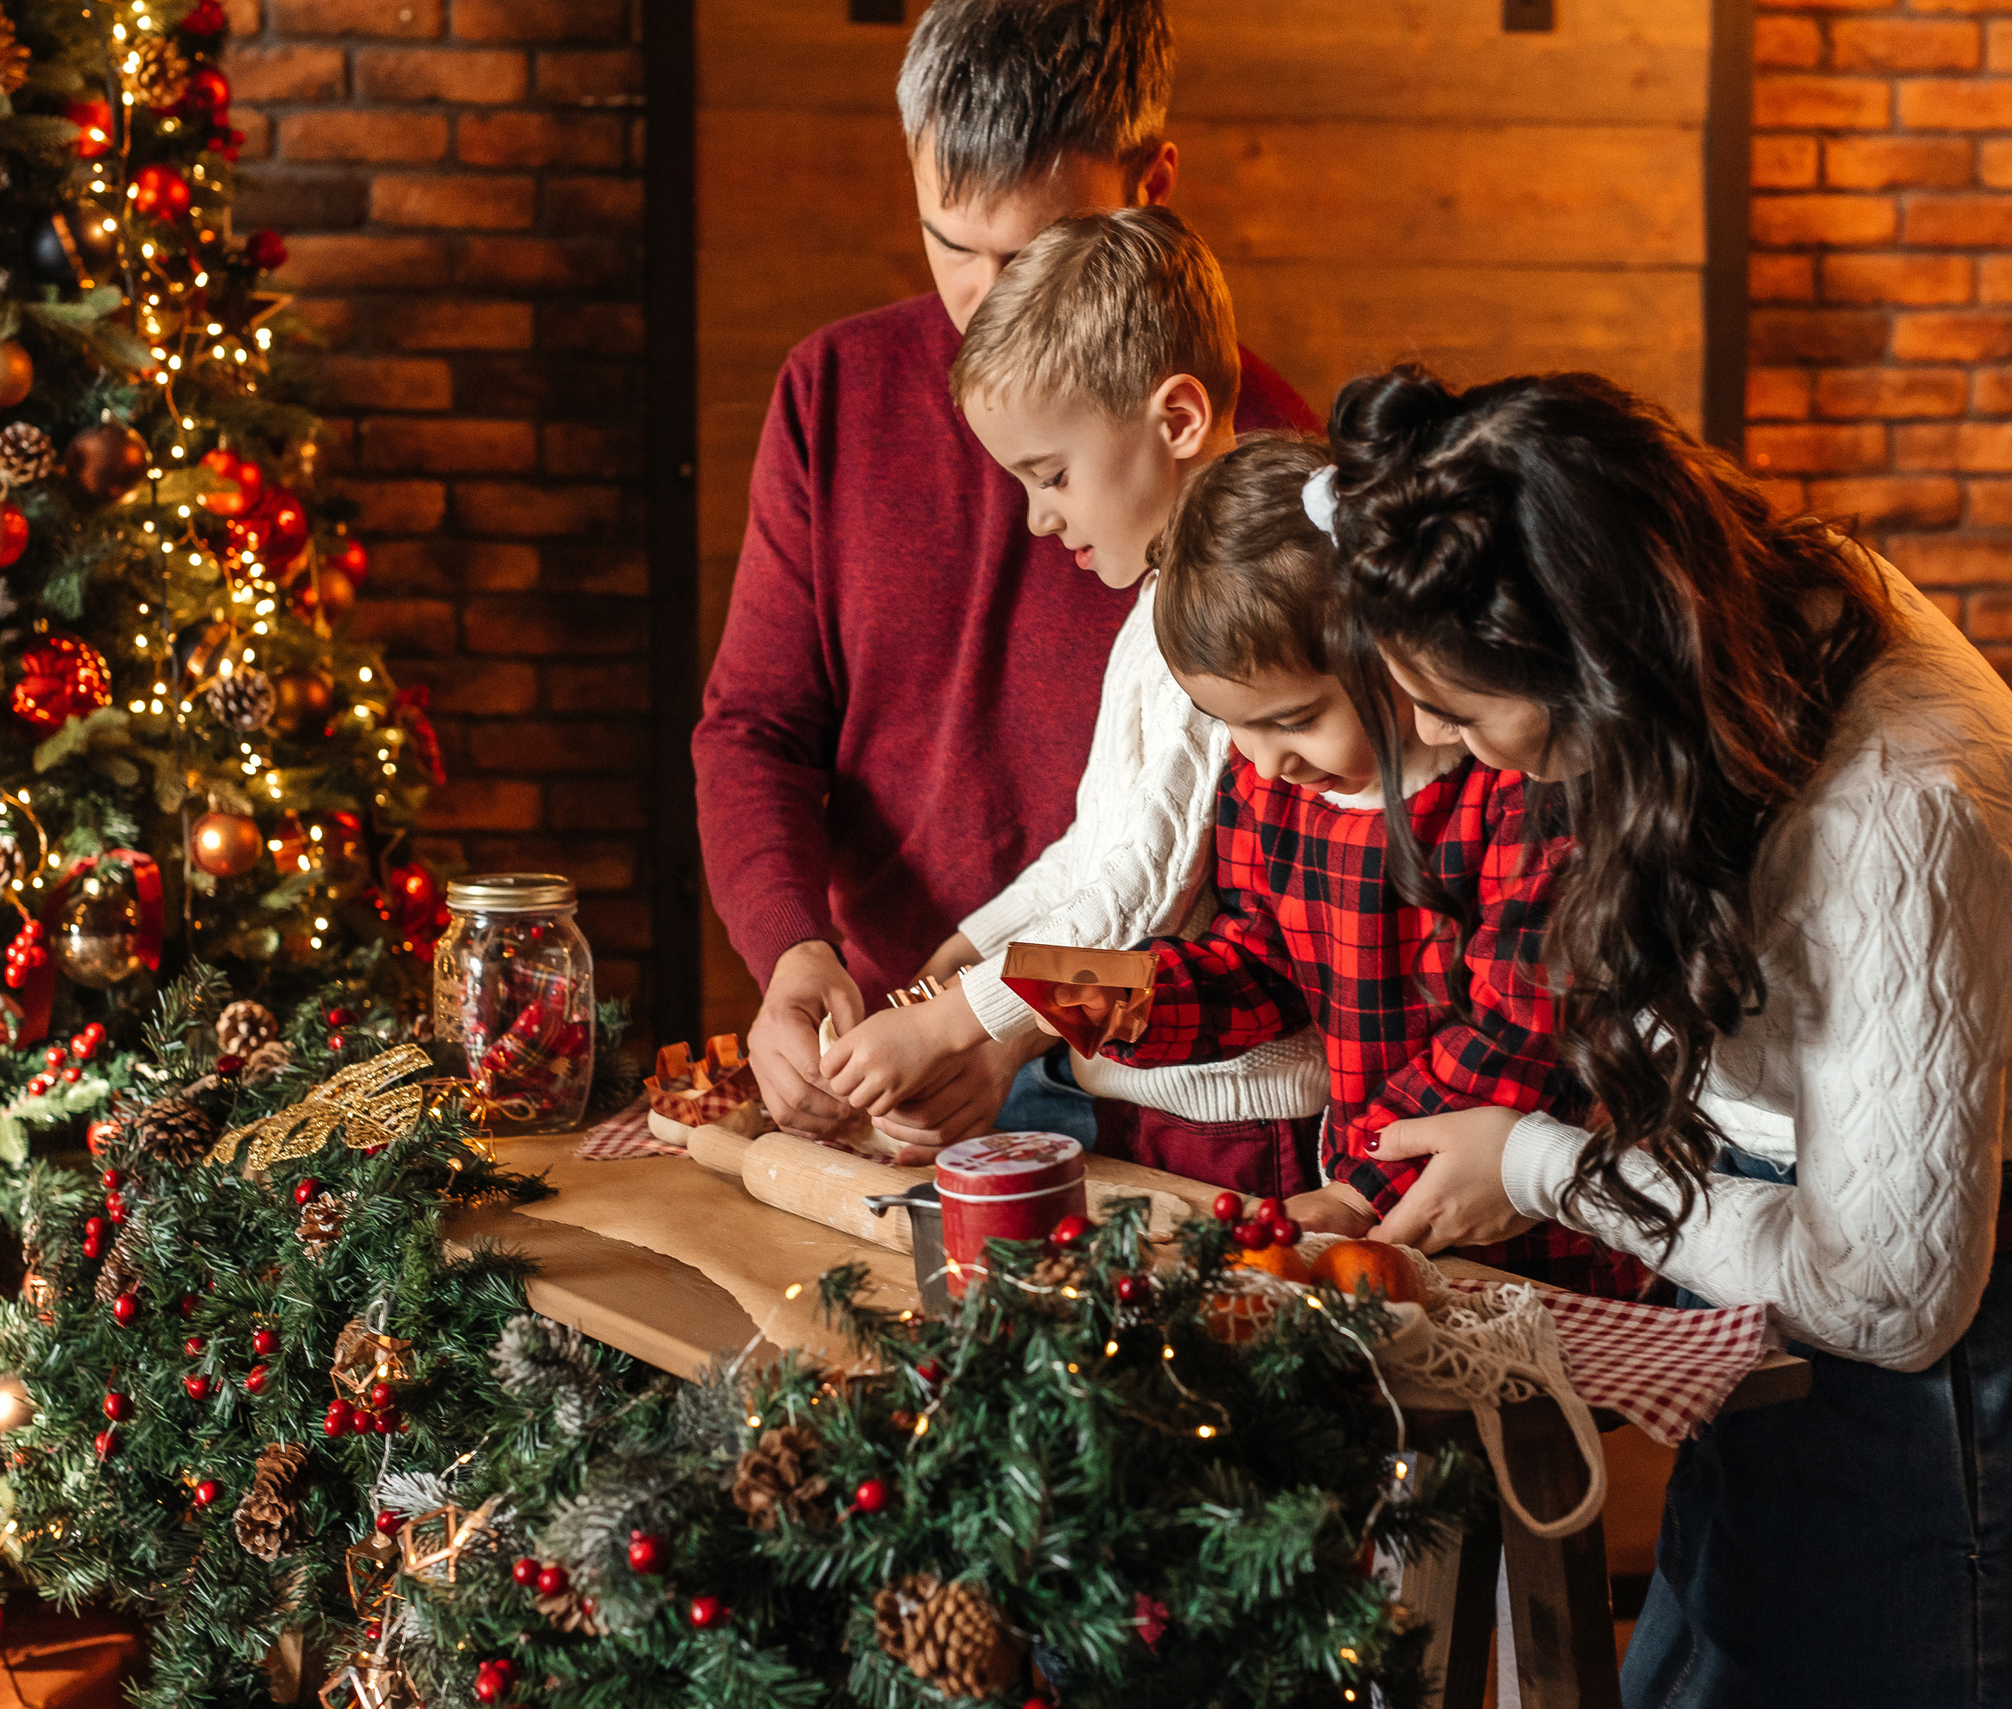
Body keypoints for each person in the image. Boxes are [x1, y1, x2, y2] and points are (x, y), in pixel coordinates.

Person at [1321, 368, 2012, 1707]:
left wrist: (1541, 1167)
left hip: (1962, 1420)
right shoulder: (1747, 612)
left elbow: (1885, 1295)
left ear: (1600, 663)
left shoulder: (1897, 813)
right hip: (1804, 1355)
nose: (1439, 741)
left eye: (1458, 708)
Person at [693, 0, 1317, 1152]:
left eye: (1035, 254)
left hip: (1173, 1095)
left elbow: (1158, 884)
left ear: (1149, 187)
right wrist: (815, 952)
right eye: (949, 243)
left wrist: (984, 1017)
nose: (984, 301)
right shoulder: (832, 391)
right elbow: (755, 729)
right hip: (926, 1041)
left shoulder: (1266, 510)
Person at [1039, 434, 1646, 1295]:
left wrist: (1359, 1190)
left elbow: (1519, 1033)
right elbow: (1261, 964)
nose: (1264, 758)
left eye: (1294, 719)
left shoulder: (1517, 788)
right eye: (1234, 725)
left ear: (1391, 650)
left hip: (1535, 1222)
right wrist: (1113, 999)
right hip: (1381, 1215)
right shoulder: (1269, 789)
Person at [816, 208, 1329, 1190]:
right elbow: (1094, 847)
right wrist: (962, 951)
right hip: (1134, 1086)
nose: (1038, 517)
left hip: (1234, 1117)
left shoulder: (1230, 625)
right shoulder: (1152, 608)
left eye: (1051, 475)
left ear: (1177, 421)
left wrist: (956, 1017)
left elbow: (1139, 892)